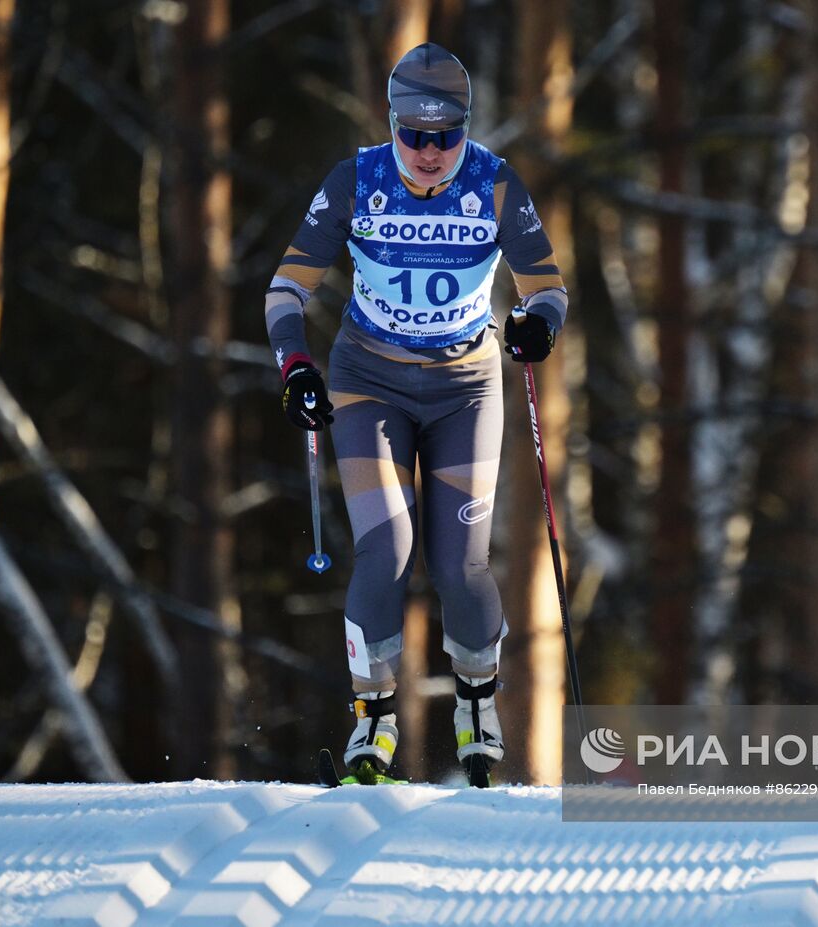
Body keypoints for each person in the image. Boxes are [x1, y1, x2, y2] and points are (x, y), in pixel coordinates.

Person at [264, 43, 567, 785]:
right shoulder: (356, 182)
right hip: (370, 379)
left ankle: (475, 700)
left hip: (466, 384)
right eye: (413, 134)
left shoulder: (494, 185)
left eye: (446, 135)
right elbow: (285, 290)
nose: (429, 152)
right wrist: (296, 366)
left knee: (460, 567)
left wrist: (538, 324)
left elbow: (547, 285)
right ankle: (374, 720)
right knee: (387, 548)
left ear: (466, 128)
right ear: (391, 124)